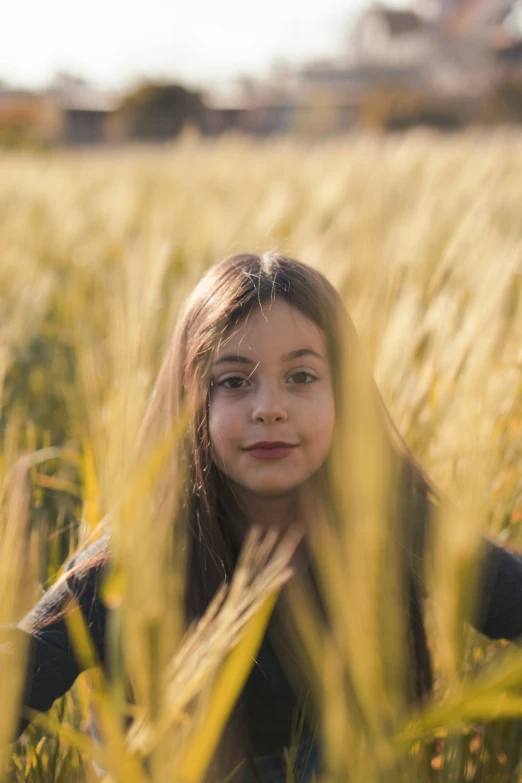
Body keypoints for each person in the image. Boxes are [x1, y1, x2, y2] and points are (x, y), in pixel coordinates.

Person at [3, 251, 522, 783]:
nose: (269, 407)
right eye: (233, 381)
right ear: (191, 404)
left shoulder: (393, 524)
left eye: (301, 376)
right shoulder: (138, 554)